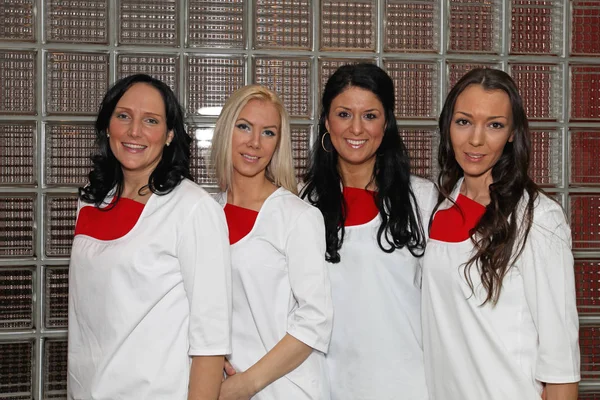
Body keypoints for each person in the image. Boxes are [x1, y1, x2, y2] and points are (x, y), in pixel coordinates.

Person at [67, 74, 232, 400]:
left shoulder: (192, 208)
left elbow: (210, 341)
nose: (134, 131)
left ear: (169, 134)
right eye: (123, 116)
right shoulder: (91, 201)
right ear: (108, 125)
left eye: (151, 121)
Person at [421, 68, 580, 400]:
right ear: (448, 125)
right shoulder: (436, 208)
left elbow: (560, 363)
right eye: (464, 121)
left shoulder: (536, 218)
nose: (476, 139)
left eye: (495, 125)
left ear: (511, 134)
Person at [301, 63, 436, 400]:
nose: (356, 128)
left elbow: (450, 303)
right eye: (344, 114)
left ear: (386, 122)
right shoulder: (301, 203)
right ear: (327, 122)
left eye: (370, 115)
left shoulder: (422, 199)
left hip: (408, 386)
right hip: (325, 385)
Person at [210, 85, 333, 400]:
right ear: (227, 130)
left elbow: (315, 321)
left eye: (268, 132)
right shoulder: (205, 212)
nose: (254, 142)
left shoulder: (297, 217)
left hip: (283, 388)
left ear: (278, 143)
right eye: (244, 127)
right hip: (220, 384)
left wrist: (247, 383)